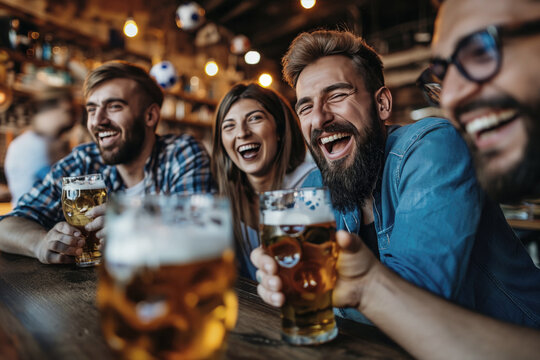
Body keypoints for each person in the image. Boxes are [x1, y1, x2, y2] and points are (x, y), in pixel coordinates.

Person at [256, 2, 540, 358]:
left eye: (338, 95)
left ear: (383, 105)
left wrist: (327, 292)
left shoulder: (433, 143)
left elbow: (421, 296)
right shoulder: (315, 187)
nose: (320, 117)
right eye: (306, 106)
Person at [0, 60, 213, 264]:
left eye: (114, 106)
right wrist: (41, 244)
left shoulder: (181, 153)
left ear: (150, 116)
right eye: (92, 109)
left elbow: (201, 235)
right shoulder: (84, 160)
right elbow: (7, 227)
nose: (98, 120)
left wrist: (136, 227)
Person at [211, 82, 316, 279]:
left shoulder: (311, 185)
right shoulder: (224, 194)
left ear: (279, 130)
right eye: (229, 126)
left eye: (254, 118)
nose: (242, 133)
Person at [4, 87, 76, 206]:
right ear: (64, 105)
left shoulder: (36, 141)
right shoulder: (36, 146)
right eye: (72, 111)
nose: (75, 117)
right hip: (34, 219)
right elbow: (64, 190)